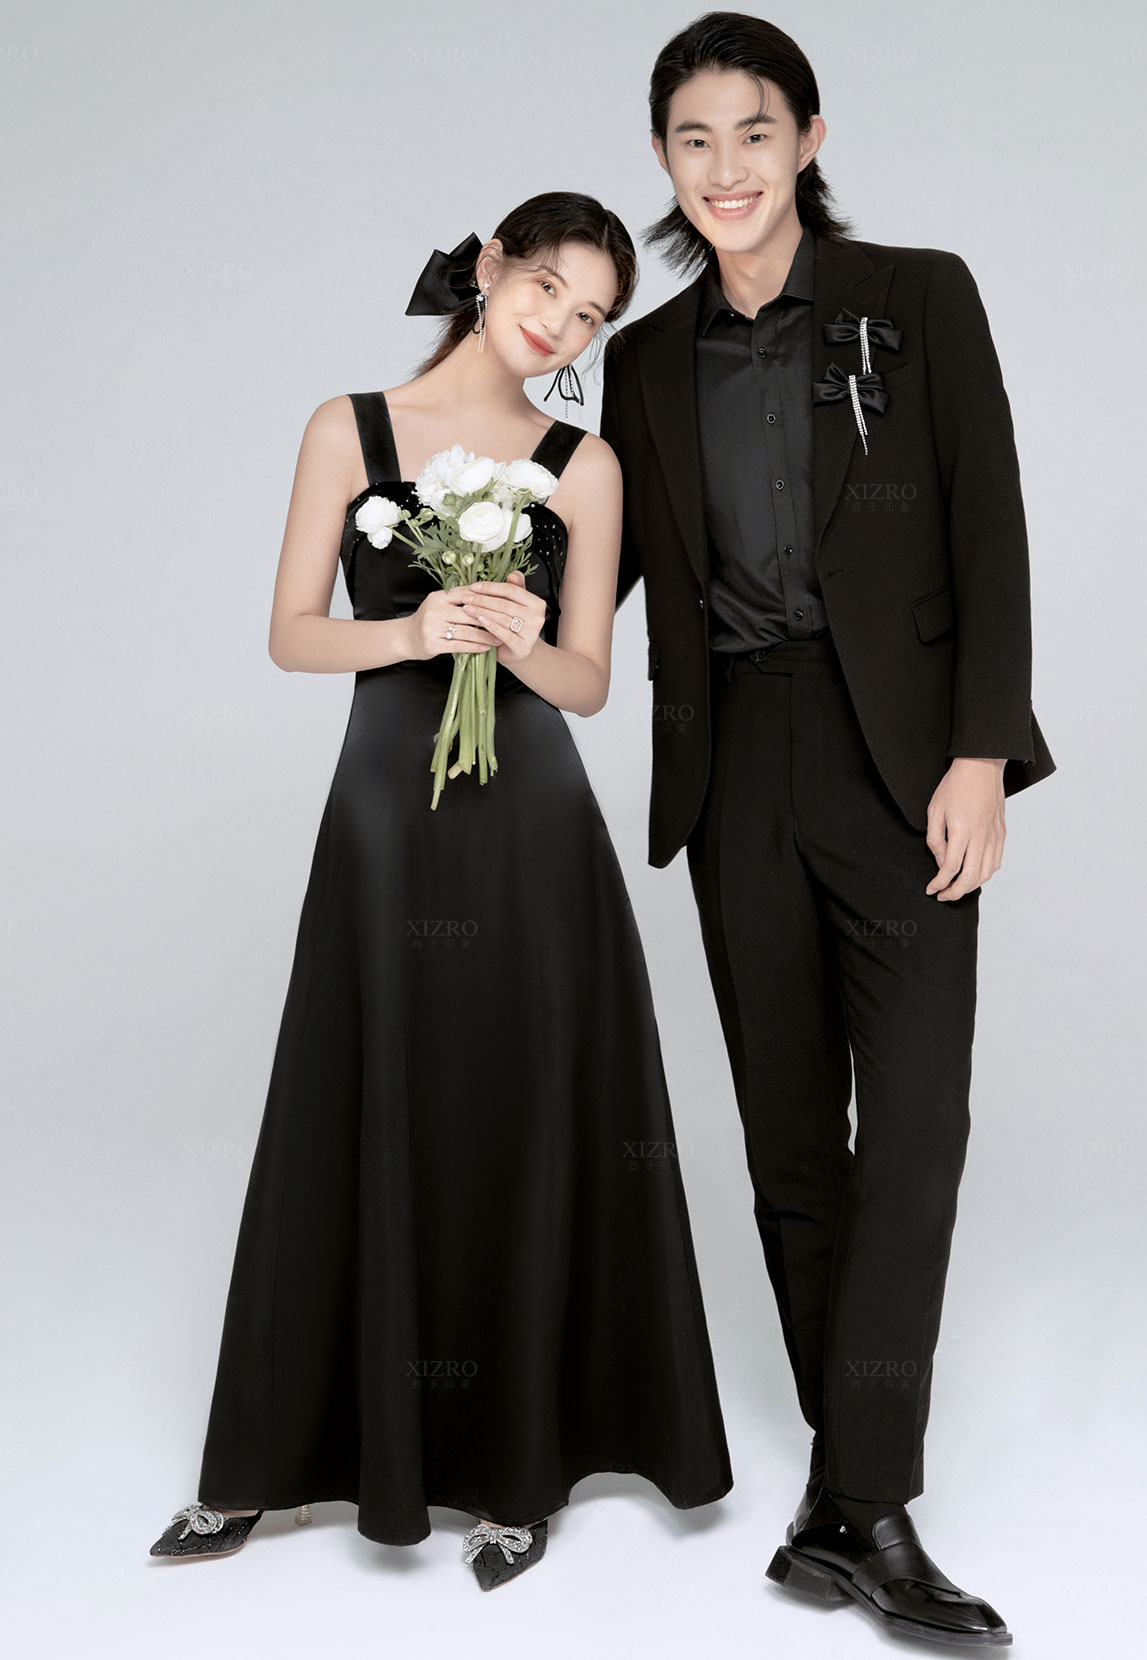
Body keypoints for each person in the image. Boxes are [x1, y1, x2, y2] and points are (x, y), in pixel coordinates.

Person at [148, 191, 732, 1590]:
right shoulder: (344, 429)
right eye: (544, 290)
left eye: (589, 318)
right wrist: (416, 628)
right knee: (354, 1099)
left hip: (528, 827)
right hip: (381, 818)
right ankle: (274, 1462)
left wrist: (517, 642)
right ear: (486, 268)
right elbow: (292, 635)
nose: (558, 328)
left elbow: (587, 685)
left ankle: (516, 1470)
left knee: (517, 1108)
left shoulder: (585, 467)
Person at [600, 13, 1055, 1648]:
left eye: (752, 130)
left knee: (913, 1129)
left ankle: (859, 1497)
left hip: (897, 765)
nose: (723, 167)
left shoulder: (915, 296)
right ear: (664, 162)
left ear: (806, 137)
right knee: (790, 1143)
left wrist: (979, 752)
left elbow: (987, 520)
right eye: (691, 139)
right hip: (733, 761)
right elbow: (594, 568)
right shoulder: (645, 360)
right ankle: (851, 1509)